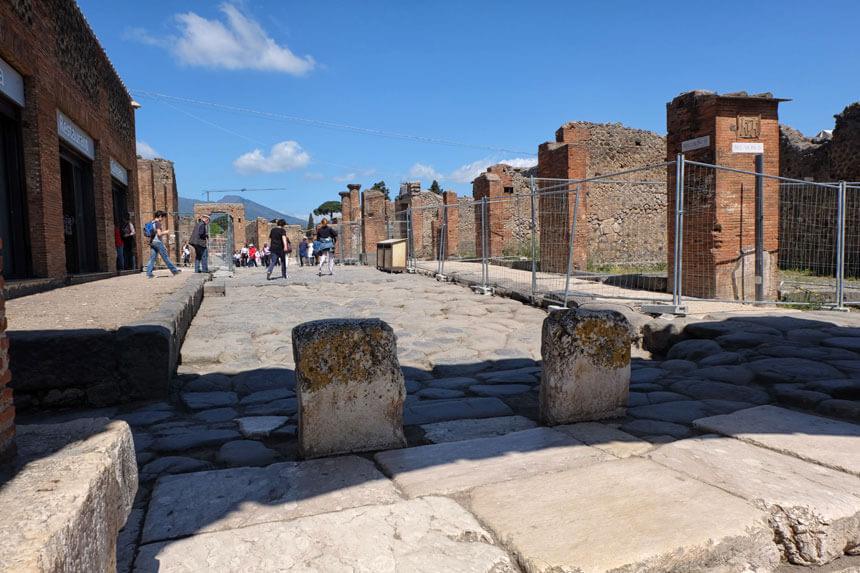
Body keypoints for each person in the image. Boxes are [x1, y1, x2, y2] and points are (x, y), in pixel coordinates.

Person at [145, 210, 181, 278]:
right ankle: (174, 271)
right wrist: (166, 232)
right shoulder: (158, 223)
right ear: (160, 216)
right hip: (157, 242)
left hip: (152, 242)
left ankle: (149, 273)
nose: (163, 219)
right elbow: (159, 234)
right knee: (165, 257)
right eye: (163, 217)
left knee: (152, 258)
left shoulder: (152, 222)